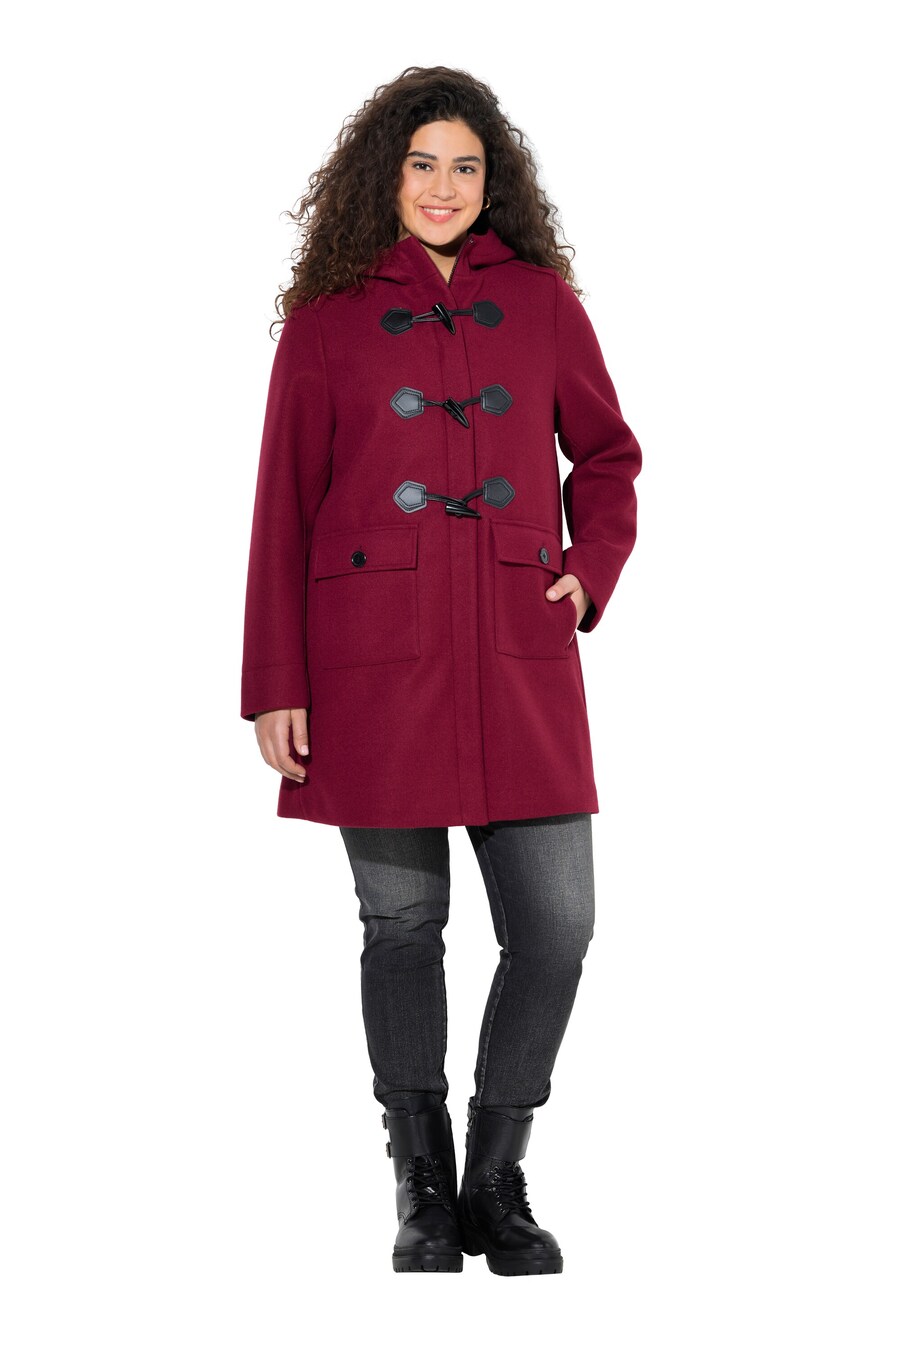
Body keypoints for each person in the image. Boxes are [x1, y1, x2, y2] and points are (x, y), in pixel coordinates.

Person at [240, 66, 642, 1276]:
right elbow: (282, 508)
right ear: (387, 174)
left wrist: (589, 569)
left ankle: (495, 1178)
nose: (443, 186)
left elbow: (609, 458)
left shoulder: (545, 306)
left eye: (466, 166)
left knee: (558, 926)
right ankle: (420, 1187)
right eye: (422, 163)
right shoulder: (326, 321)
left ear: (492, 181)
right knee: (403, 926)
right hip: (374, 657)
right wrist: (274, 680)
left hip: (518, 652)